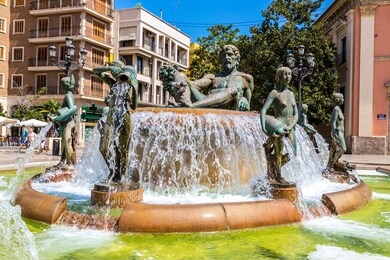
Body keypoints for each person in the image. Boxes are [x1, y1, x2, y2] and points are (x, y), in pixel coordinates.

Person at [159, 44, 254, 111]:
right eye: (223, 56)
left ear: (237, 59)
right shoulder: (212, 77)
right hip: (205, 104)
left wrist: (244, 99)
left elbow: (247, 103)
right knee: (180, 75)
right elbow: (193, 85)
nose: (226, 58)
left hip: (229, 107)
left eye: (230, 55)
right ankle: (186, 105)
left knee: (233, 90)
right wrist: (176, 79)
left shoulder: (245, 78)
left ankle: (190, 107)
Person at [93, 61, 138, 182]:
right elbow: (95, 71)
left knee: (123, 149)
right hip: (112, 117)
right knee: (103, 147)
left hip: (125, 118)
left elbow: (133, 106)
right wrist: (109, 68)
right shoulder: (113, 83)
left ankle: (121, 174)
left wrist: (134, 86)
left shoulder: (129, 86)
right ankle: (112, 170)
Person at [260, 66, 298, 184]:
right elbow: (263, 110)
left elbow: (296, 114)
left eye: (289, 74)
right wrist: (264, 127)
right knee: (278, 152)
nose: (288, 77)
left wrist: (291, 126)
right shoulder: (274, 93)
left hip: (289, 127)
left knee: (293, 153)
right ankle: (278, 176)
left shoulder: (291, 94)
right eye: (285, 74)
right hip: (278, 125)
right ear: (279, 77)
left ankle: (273, 168)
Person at [49, 75, 77, 168]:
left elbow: (72, 108)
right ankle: (62, 161)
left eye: (61, 84)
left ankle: (69, 163)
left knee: (67, 142)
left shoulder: (68, 95)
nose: (60, 86)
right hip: (67, 123)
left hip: (67, 123)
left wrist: (60, 118)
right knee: (65, 143)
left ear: (64, 85)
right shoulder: (70, 95)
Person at [326, 93, 348, 171]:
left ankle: (333, 164)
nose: (343, 100)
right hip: (338, 132)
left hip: (340, 132)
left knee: (337, 149)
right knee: (343, 148)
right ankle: (332, 164)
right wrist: (334, 132)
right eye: (341, 98)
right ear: (337, 99)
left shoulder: (338, 109)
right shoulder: (336, 109)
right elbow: (333, 122)